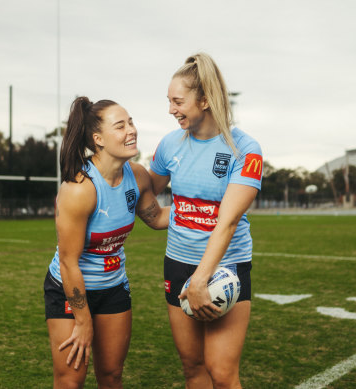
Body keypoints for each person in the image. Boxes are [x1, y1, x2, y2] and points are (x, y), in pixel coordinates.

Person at [148, 53, 263, 388]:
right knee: (193, 368)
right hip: (177, 264)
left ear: (205, 100)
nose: (171, 109)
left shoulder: (244, 149)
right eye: (169, 101)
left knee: (222, 373)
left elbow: (226, 223)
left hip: (225, 267)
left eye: (178, 101)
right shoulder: (170, 144)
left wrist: (200, 282)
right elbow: (146, 192)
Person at [44, 96, 169, 389]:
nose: (131, 130)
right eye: (120, 126)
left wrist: (207, 210)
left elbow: (156, 217)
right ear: (98, 139)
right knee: (70, 379)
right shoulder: (79, 189)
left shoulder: (136, 176)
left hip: (113, 287)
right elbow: (68, 262)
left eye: (131, 122)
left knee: (112, 376)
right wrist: (83, 321)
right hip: (69, 290)